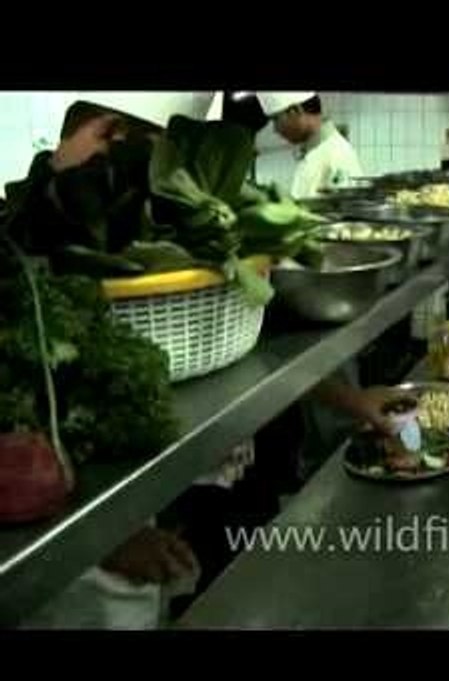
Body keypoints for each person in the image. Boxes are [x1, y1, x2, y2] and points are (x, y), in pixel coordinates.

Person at [11, 93, 397, 628]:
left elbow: (240, 354)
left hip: (142, 540)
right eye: (151, 158)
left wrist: (347, 399)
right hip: (57, 586)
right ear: (110, 133)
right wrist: (101, 539)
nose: (153, 184)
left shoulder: (134, 235)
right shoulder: (22, 254)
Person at [257, 92, 363, 198]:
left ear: (295, 111)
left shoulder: (337, 154)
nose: (275, 130)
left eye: (276, 119)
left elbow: (345, 209)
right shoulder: (313, 153)